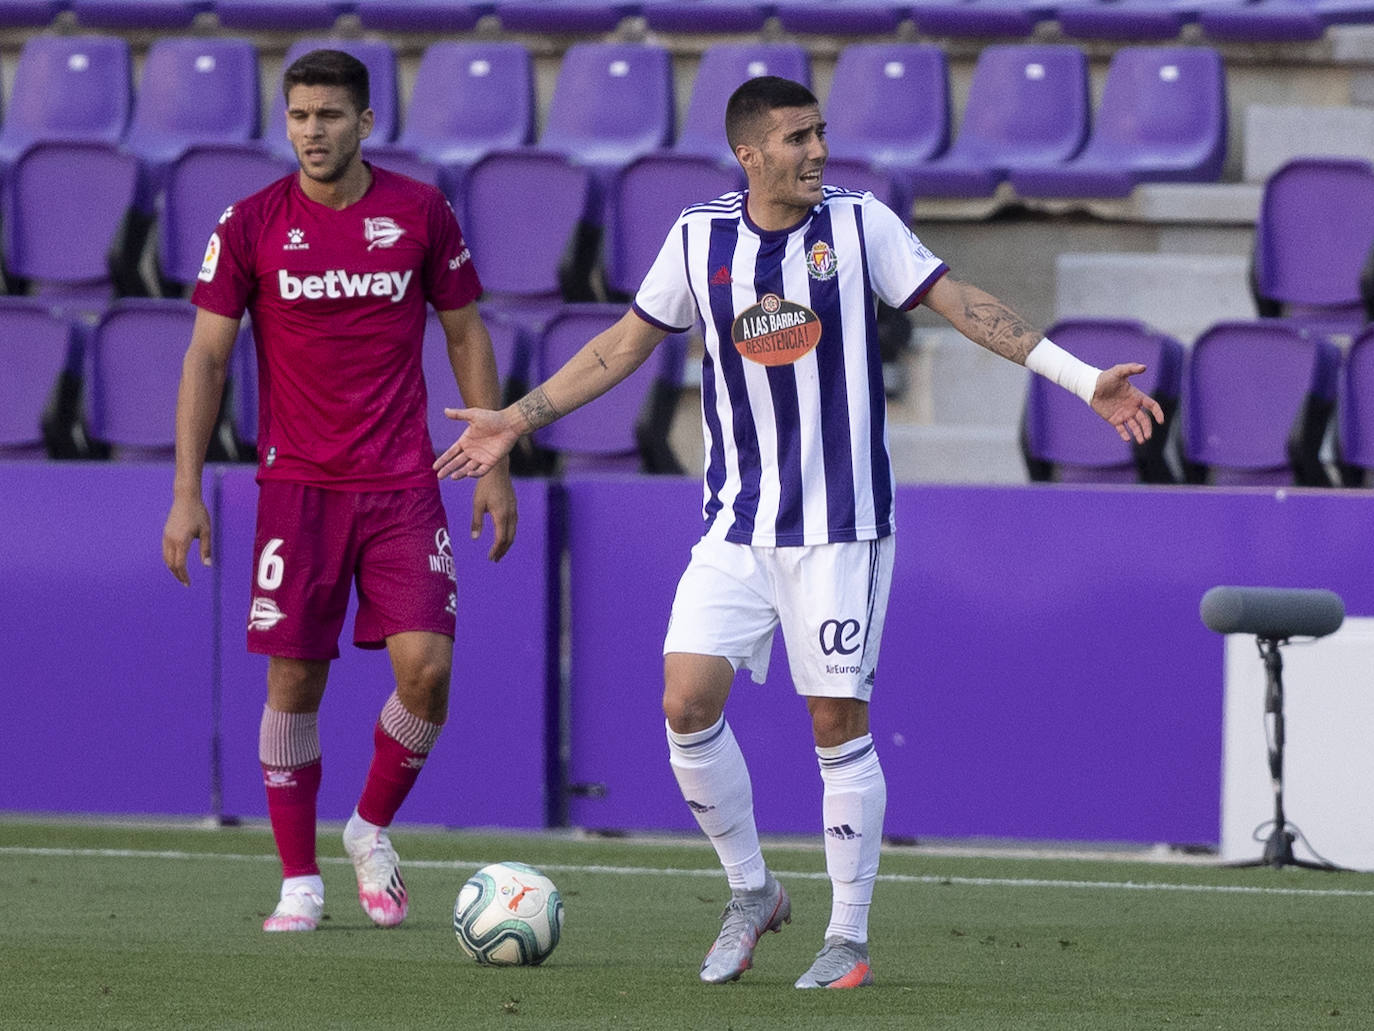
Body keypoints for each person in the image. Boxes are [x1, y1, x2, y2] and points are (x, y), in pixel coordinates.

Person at [434, 76, 1163, 988]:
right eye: (797, 138)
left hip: (841, 525)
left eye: (821, 132)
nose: (818, 150)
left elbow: (961, 303)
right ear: (750, 155)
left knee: (835, 724)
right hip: (736, 524)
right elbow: (621, 345)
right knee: (684, 704)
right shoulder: (700, 237)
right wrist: (517, 417)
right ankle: (754, 891)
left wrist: (1081, 377)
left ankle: (847, 935)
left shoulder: (860, 226)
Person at [161, 49, 517, 933]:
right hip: (298, 486)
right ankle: (298, 880)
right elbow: (207, 356)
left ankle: (368, 826)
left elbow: (466, 332)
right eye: (297, 116)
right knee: (294, 681)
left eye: (328, 115)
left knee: (428, 673)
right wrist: (185, 488)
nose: (311, 131)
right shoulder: (249, 224)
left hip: (402, 482)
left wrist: (494, 457)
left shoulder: (418, 211)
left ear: (365, 122)